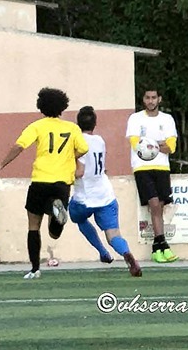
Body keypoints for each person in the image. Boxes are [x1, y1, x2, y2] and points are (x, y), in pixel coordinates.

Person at [0, 87, 88, 279]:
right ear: (62, 106)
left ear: (41, 106)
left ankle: (35, 268)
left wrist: (1, 164)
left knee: (33, 225)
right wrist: (69, 158)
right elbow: (84, 148)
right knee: (54, 233)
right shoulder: (72, 128)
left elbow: (19, 146)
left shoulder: (37, 126)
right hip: (62, 182)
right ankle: (56, 213)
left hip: (40, 179)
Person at [70, 106, 142, 277]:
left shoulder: (77, 142)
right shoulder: (100, 140)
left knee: (78, 218)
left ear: (77, 123)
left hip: (84, 197)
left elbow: (79, 172)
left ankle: (102, 252)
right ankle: (126, 254)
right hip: (105, 195)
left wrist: (65, 175)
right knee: (113, 234)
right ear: (95, 124)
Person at [125, 88, 179, 264]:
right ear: (143, 99)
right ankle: (163, 245)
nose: (150, 101)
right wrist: (158, 143)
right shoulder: (135, 119)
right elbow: (137, 145)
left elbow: (171, 146)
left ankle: (158, 248)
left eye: (154, 97)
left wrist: (150, 143)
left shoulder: (167, 119)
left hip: (162, 167)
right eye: (147, 98)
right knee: (154, 204)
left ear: (159, 99)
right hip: (142, 167)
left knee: (160, 207)